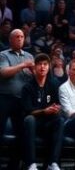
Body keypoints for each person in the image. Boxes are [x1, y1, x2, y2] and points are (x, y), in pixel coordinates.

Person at [21, 53, 65, 170]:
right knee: (29, 119)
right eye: (39, 64)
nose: (42, 67)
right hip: (33, 124)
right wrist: (44, 111)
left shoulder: (54, 84)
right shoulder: (27, 87)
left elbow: (58, 104)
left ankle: (53, 163)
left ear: (49, 67)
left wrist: (56, 109)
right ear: (34, 67)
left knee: (60, 120)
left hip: (48, 124)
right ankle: (31, 164)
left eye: (45, 64)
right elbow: (28, 112)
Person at [0, 28, 35, 170]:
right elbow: (3, 72)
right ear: (11, 40)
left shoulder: (30, 56)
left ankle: (13, 166)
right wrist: (23, 65)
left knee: (22, 135)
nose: (20, 39)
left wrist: (33, 71)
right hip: (4, 98)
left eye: (22, 36)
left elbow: (36, 79)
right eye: (17, 36)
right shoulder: (3, 55)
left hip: (21, 100)